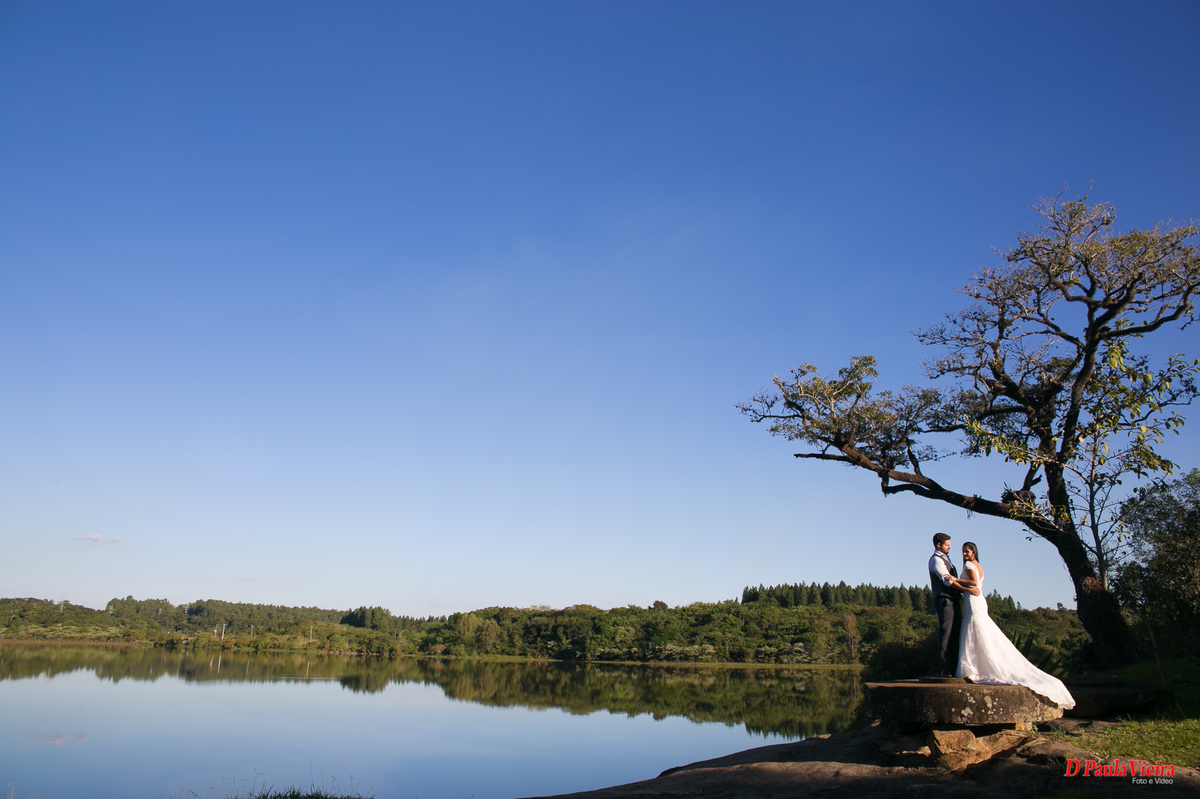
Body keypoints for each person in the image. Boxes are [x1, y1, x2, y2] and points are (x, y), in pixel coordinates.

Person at [954, 542, 1075, 709]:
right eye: (963, 552)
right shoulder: (977, 565)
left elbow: (974, 583)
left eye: (967, 552)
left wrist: (955, 580)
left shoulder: (968, 565)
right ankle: (977, 664)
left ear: (973, 552)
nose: (965, 554)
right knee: (979, 630)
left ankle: (974, 667)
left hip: (974, 600)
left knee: (973, 629)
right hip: (979, 600)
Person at [929, 533, 978, 677]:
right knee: (946, 633)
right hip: (944, 599)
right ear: (939, 545)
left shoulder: (946, 559)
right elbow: (947, 581)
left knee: (956, 632)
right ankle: (945, 668)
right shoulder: (936, 561)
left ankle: (955, 666)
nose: (950, 547)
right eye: (947, 545)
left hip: (953, 599)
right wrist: (967, 590)